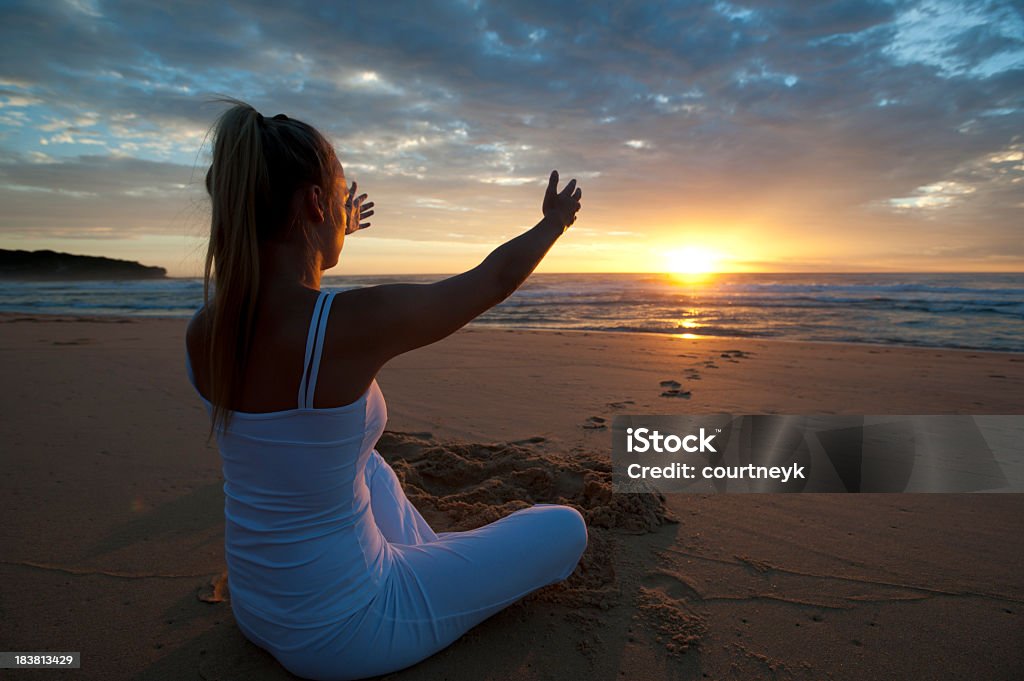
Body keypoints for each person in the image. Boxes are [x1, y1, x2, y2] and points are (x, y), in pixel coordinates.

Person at [184, 99, 587, 681]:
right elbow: (492, 280)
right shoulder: (345, 324)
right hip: (348, 631)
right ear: (316, 203)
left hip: (260, 609)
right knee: (564, 527)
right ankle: (430, 574)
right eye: (337, 196)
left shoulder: (207, 328)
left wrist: (329, 231)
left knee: (367, 465)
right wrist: (553, 223)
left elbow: (286, 296)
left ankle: (428, 564)